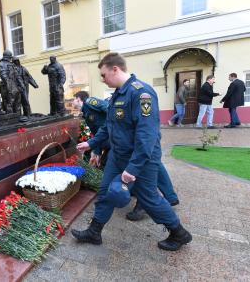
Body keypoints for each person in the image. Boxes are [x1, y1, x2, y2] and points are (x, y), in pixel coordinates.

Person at [72, 52, 192, 251]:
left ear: (115, 69)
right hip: (118, 156)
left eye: (103, 75)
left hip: (141, 159)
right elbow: (108, 127)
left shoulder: (141, 93)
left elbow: (147, 135)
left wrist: (133, 169)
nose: (102, 79)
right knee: (104, 192)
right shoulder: (116, 95)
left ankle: (179, 233)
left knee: (149, 198)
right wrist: (91, 143)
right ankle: (94, 231)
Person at [73, 90, 179, 221]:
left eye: (74, 99)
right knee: (142, 169)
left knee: (148, 168)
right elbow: (100, 129)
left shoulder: (91, 102)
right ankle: (167, 197)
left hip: (129, 141)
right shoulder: (85, 112)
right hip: (115, 141)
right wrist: (96, 150)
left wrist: (118, 130)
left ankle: (163, 205)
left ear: (78, 99)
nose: (73, 103)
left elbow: (110, 113)